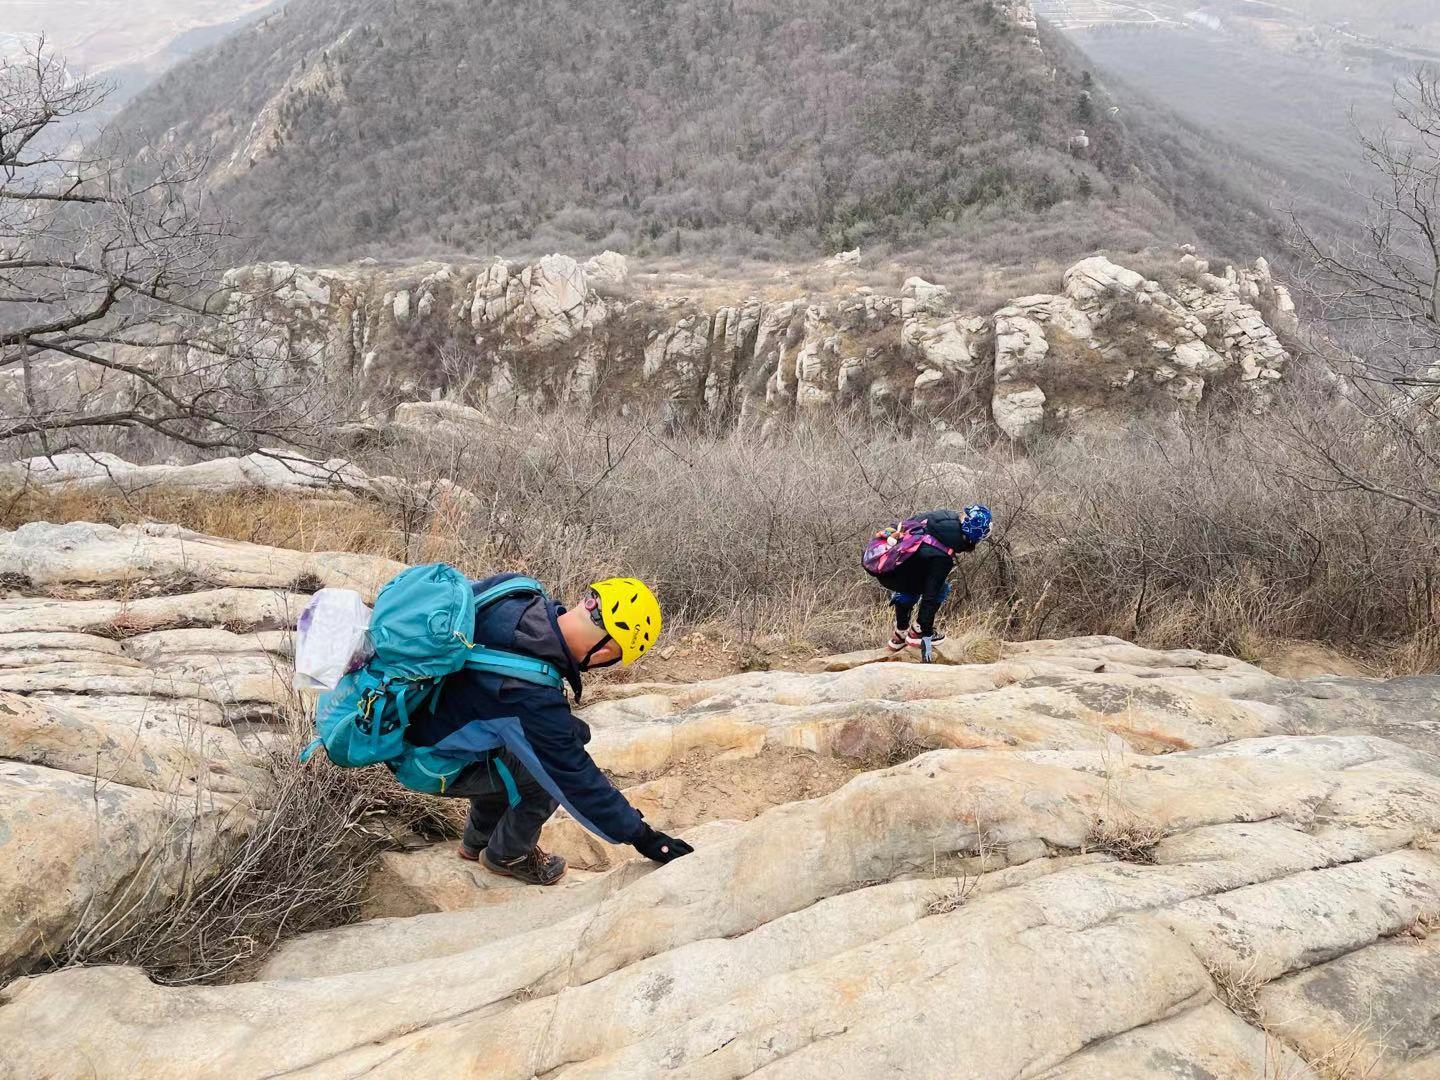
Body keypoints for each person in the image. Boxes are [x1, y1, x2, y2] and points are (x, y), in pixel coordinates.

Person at [405, 574, 692, 885]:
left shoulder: (518, 594)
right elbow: (575, 779)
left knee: (522, 748)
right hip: (425, 761)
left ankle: (479, 841)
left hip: (417, 721)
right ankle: (508, 855)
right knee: (541, 777)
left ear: (590, 602)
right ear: (606, 650)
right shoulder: (530, 694)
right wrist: (643, 837)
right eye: (614, 659)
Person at [868, 506, 992, 661]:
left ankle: (900, 634)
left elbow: (907, 523)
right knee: (941, 589)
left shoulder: (943, 517)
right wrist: (925, 630)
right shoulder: (943, 557)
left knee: (914, 579)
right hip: (894, 574)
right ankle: (916, 632)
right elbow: (930, 595)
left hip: (887, 565)